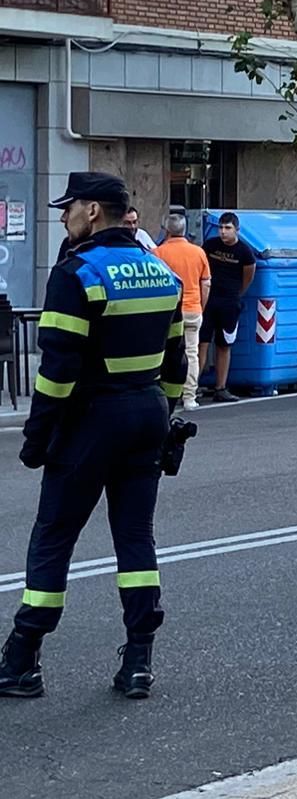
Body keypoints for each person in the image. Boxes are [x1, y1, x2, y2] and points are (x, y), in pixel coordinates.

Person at [0, 172, 186, 700]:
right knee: (135, 537)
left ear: (93, 212)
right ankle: (138, 664)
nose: (62, 217)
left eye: (69, 208)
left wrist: (37, 438)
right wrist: (166, 415)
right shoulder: (160, 271)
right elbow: (176, 361)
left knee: (54, 536)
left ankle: (21, 659)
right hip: (146, 414)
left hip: (89, 421)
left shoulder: (76, 273)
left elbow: (56, 371)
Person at [199, 213, 258, 404]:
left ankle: (221, 387)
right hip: (208, 301)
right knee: (201, 343)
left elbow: (248, 276)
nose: (223, 232)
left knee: (224, 345)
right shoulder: (210, 245)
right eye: (221, 228)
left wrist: (237, 293)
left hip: (230, 303)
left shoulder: (244, 252)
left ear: (236, 230)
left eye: (228, 228)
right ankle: (192, 387)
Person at [154, 215, 210, 412]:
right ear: (184, 230)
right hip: (193, 308)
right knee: (192, 353)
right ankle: (189, 396)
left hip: (169, 311)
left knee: (165, 353)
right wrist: (201, 306)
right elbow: (206, 283)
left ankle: (167, 394)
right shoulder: (198, 252)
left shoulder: (157, 253)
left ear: (167, 231)